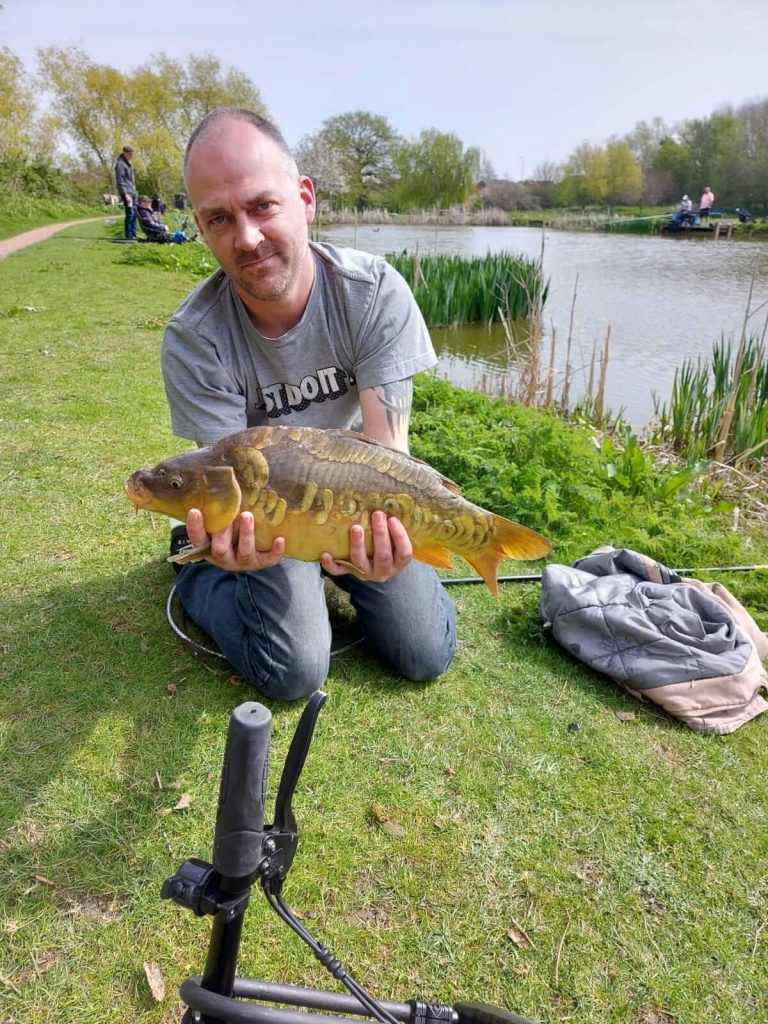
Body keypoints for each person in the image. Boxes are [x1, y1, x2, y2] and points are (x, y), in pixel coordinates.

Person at [160, 107, 457, 701]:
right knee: (295, 672)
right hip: (263, 515)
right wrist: (231, 546)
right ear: (199, 225)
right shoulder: (195, 338)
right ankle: (197, 570)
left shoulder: (373, 295)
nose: (246, 237)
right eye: (220, 218)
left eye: (262, 206)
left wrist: (380, 544)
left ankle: (328, 569)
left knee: (424, 651)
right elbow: (222, 483)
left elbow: (385, 452)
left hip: (348, 496)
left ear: (305, 198)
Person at [114, 145, 138, 240]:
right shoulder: (120, 164)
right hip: (127, 192)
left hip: (132, 191)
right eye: (129, 154)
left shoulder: (128, 163)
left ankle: (134, 234)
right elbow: (120, 180)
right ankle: (128, 235)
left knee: (135, 213)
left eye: (132, 154)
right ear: (124, 153)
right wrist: (126, 194)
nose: (131, 156)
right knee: (130, 213)